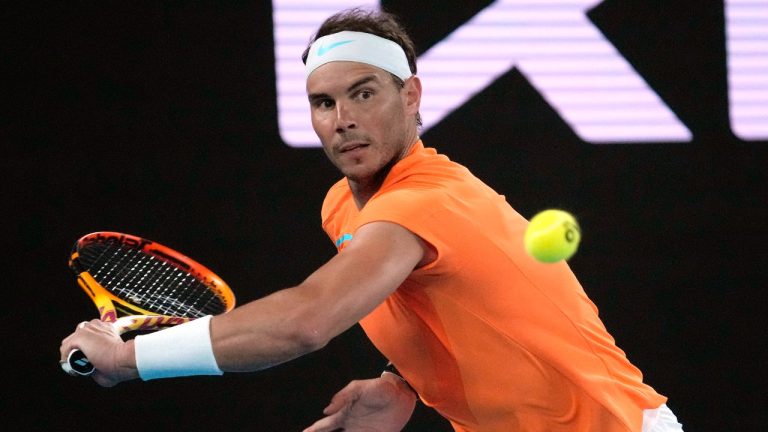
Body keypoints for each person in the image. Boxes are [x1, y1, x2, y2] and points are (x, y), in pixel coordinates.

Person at [60, 7, 684, 432]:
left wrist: (130, 362)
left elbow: (305, 323)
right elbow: (439, 307)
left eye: (364, 93)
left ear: (410, 96)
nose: (342, 119)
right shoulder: (342, 205)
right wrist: (402, 383)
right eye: (324, 102)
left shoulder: (427, 200)